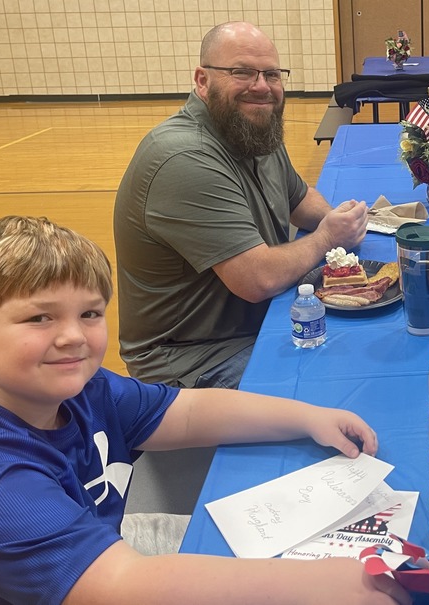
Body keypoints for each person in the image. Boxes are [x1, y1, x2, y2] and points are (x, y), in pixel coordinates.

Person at [0, 215, 410, 605]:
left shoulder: (82, 390)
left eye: (88, 314)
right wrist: (319, 587)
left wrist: (307, 417)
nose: (72, 337)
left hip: (100, 557)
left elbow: (189, 411)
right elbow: (116, 585)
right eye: (39, 318)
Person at [114, 21, 369, 390]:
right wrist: (327, 237)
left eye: (271, 74)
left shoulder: (252, 128)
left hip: (251, 322)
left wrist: (334, 216)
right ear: (203, 80)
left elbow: (299, 198)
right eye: (242, 72)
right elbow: (257, 278)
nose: (261, 86)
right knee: (341, 380)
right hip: (195, 358)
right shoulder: (183, 158)